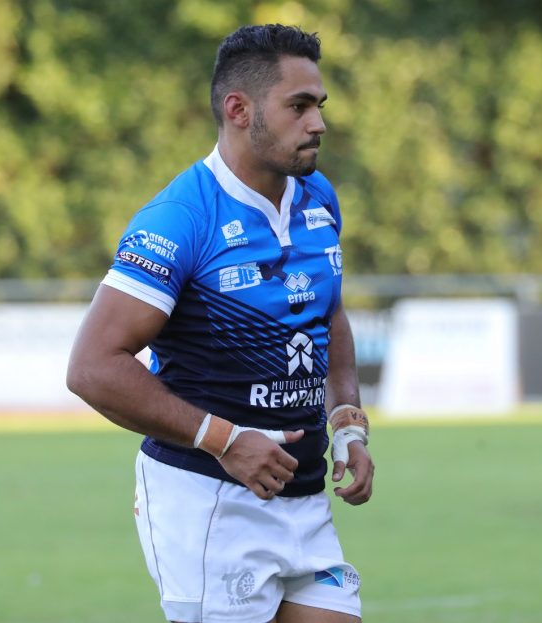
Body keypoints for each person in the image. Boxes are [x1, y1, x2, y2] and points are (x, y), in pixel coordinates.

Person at [67, 24, 374, 623]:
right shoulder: (180, 217)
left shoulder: (318, 197)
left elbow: (329, 312)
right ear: (239, 110)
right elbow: (92, 368)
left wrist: (347, 424)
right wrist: (225, 441)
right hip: (207, 503)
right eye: (299, 106)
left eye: (320, 105)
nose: (318, 123)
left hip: (304, 496)